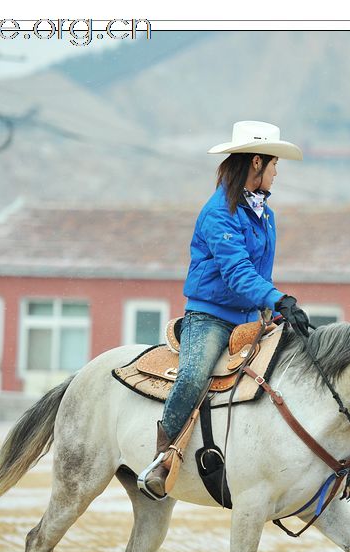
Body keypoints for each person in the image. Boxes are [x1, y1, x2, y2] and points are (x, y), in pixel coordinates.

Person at [138, 121, 311, 500]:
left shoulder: (265, 214)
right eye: (274, 165)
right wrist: (277, 299)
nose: (277, 172)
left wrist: (273, 311)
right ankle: (162, 457)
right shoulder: (218, 212)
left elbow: (258, 273)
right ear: (255, 163)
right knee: (194, 376)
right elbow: (237, 273)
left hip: (251, 317)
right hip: (211, 316)